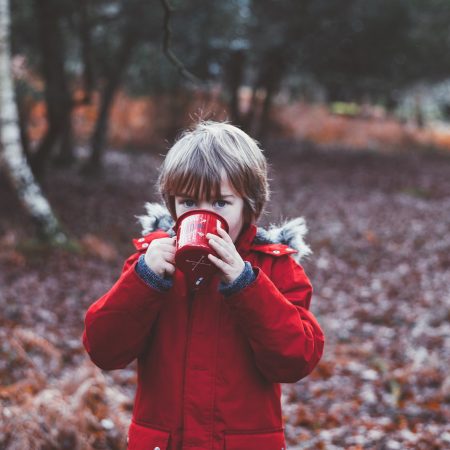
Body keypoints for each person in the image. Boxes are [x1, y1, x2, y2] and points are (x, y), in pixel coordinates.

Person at [82, 121, 325, 450]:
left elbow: (295, 359)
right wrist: (144, 279)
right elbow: (104, 349)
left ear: (249, 204)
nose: (202, 213)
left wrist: (246, 284)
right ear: (172, 204)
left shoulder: (274, 268)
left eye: (221, 203)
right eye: (188, 202)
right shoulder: (151, 263)